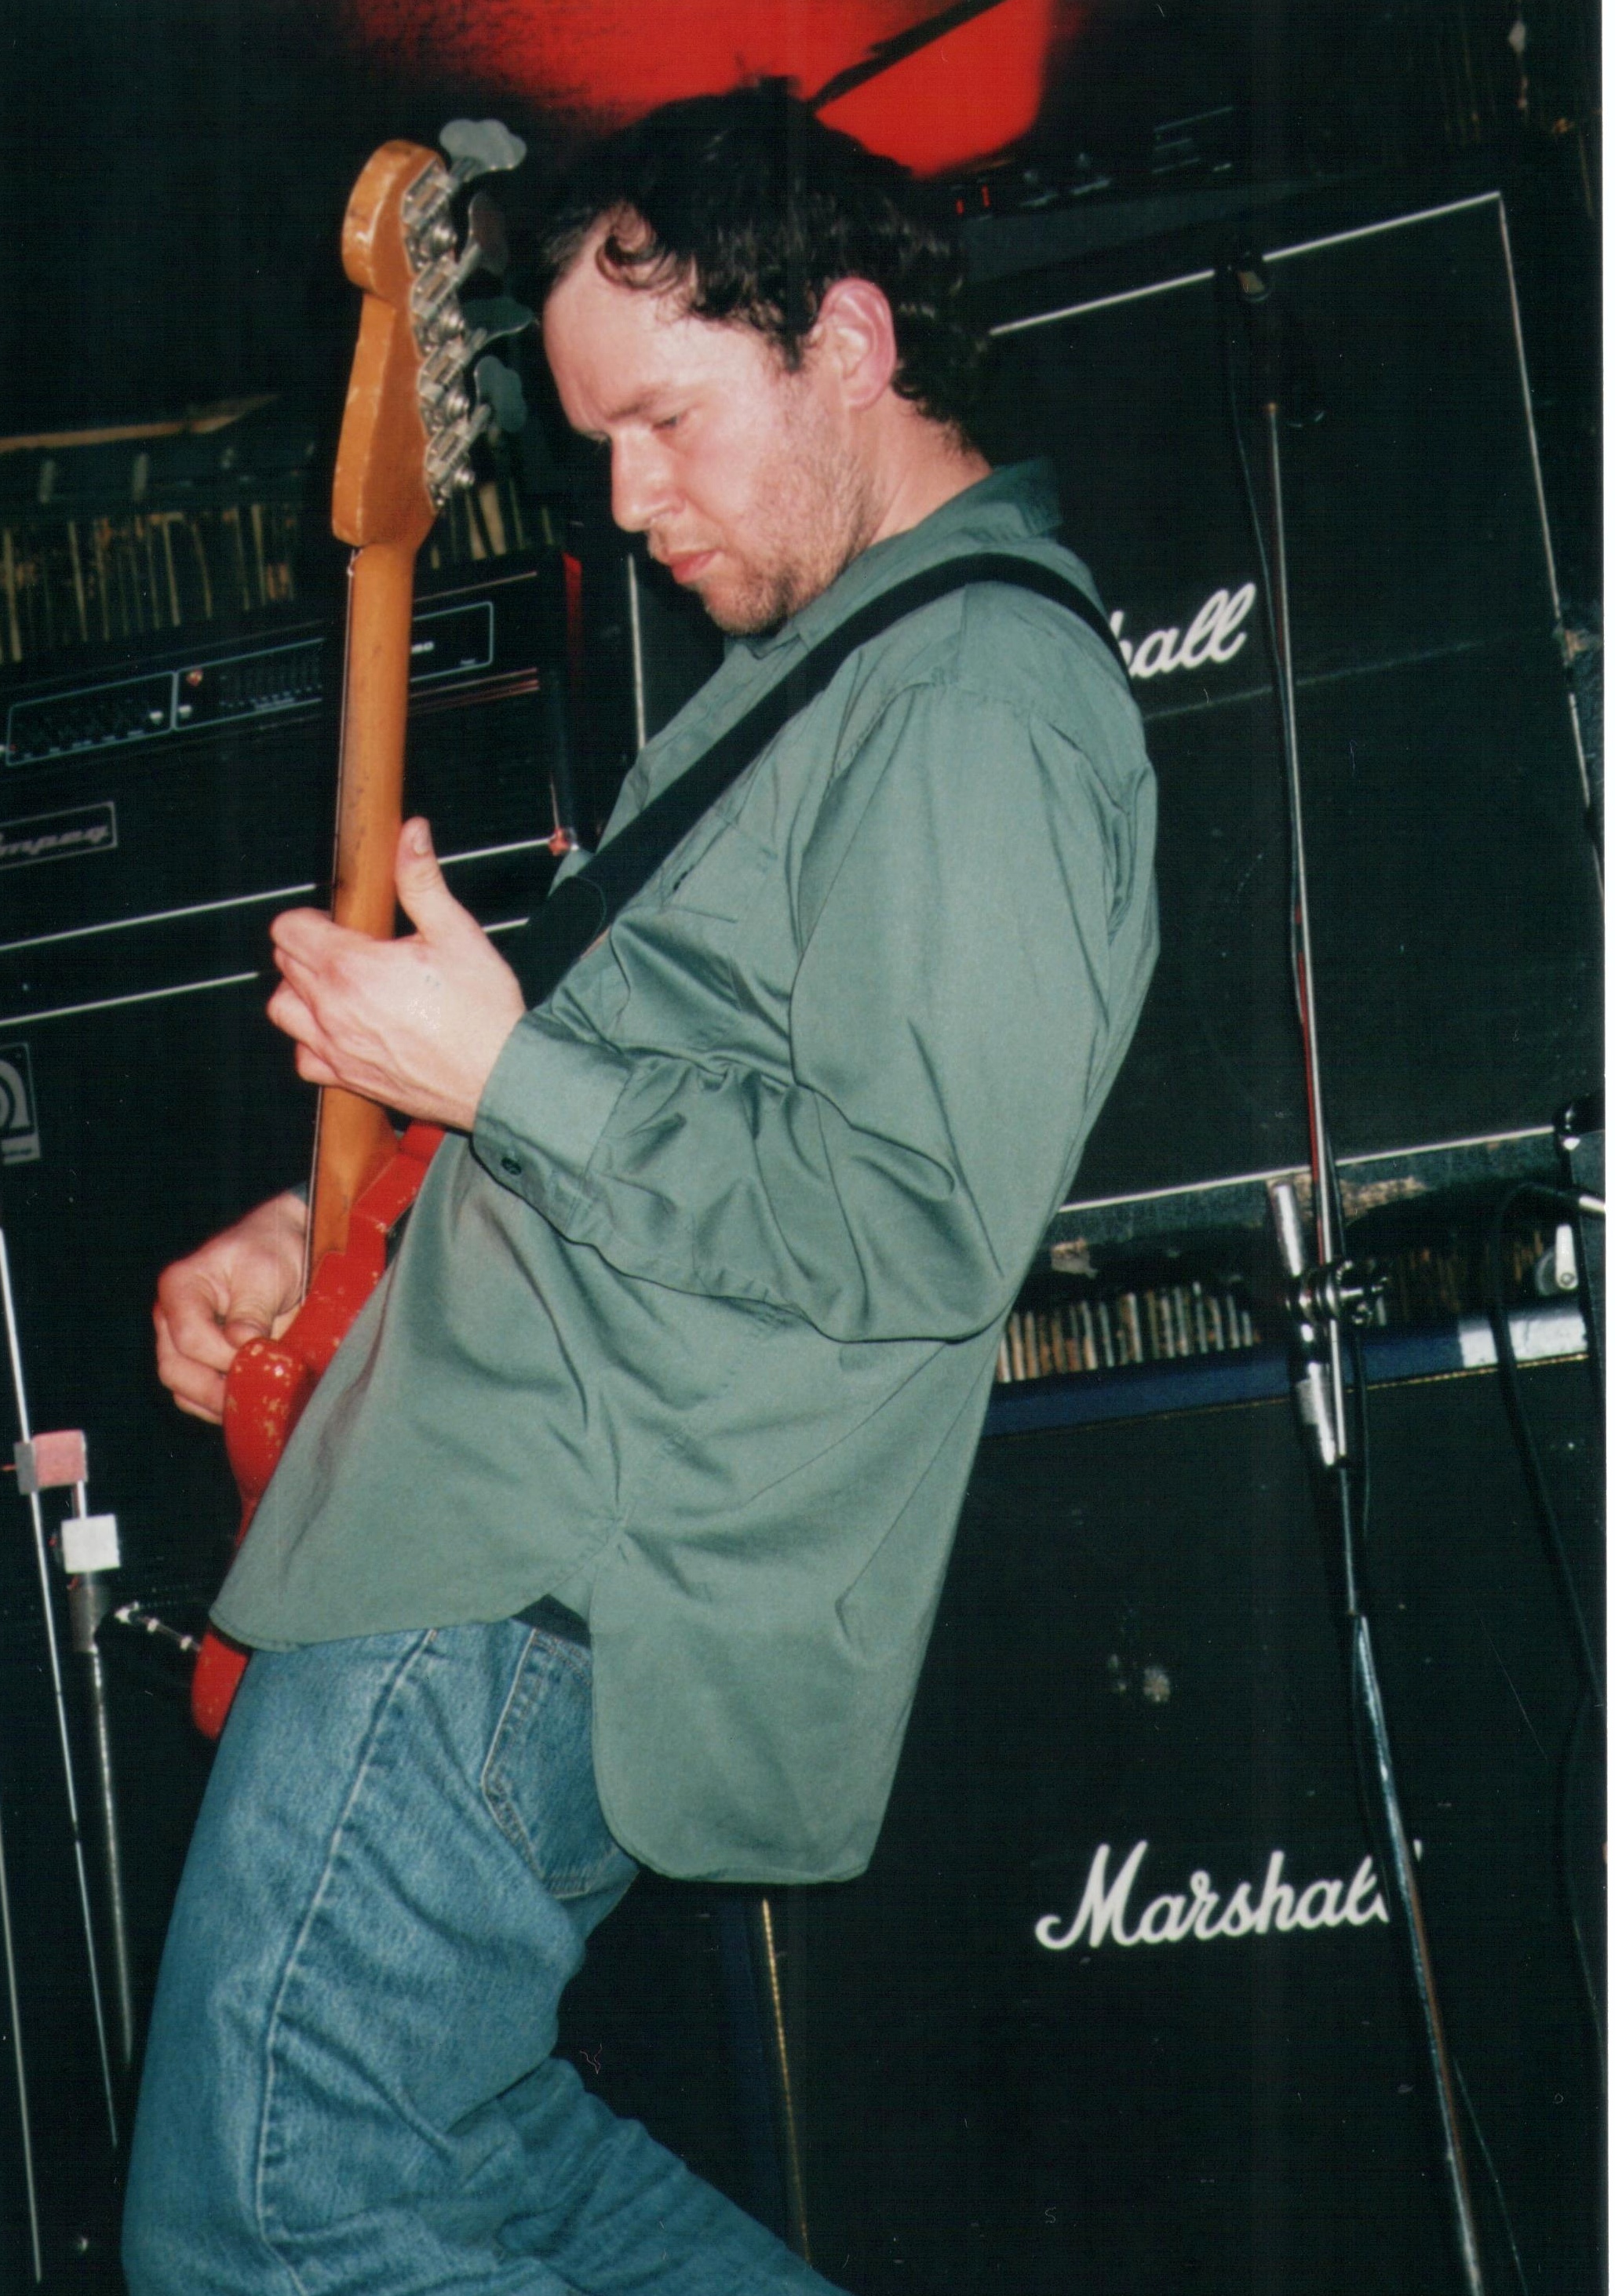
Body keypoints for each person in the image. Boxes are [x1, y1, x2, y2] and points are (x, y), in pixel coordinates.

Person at [124, 83, 1157, 2294]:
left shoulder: (979, 692)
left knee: (276, 2230)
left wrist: (499, 1070)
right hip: (493, 1541)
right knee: (488, 2181)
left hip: (520, 1573)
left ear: (847, 342)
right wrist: (346, 1221)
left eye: (667, 422)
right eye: (597, 442)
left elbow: (907, 1223)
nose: (626, 499)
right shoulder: (841, 675)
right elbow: (657, 1117)